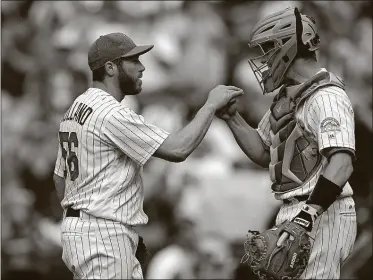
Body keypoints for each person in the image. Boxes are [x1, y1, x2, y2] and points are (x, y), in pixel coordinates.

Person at [53, 32, 243, 279]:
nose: (142, 67)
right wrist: (209, 106)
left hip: (84, 232)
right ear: (110, 68)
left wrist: (81, 221)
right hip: (103, 235)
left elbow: (60, 179)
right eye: (133, 61)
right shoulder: (109, 113)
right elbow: (178, 149)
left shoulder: (75, 108)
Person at [216, 7, 357, 279]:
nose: (264, 59)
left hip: (324, 211)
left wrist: (306, 216)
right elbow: (263, 151)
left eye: (268, 49)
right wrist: (232, 118)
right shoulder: (289, 97)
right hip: (295, 211)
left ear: (288, 47)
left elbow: (341, 163)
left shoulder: (327, 96)